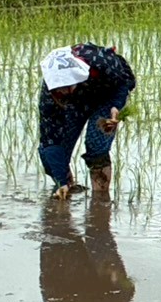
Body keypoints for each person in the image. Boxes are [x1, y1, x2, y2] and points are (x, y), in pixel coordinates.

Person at [38, 44, 135, 199]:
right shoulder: (50, 97)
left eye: (65, 87)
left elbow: (124, 81)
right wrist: (60, 180)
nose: (61, 91)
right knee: (49, 155)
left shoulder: (100, 62)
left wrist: (115, 106)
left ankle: (100, 201)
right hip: (73, 104)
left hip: (105, 98)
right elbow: (50, 138)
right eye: (58, 89)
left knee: (96, 145)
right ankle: (65, 188)